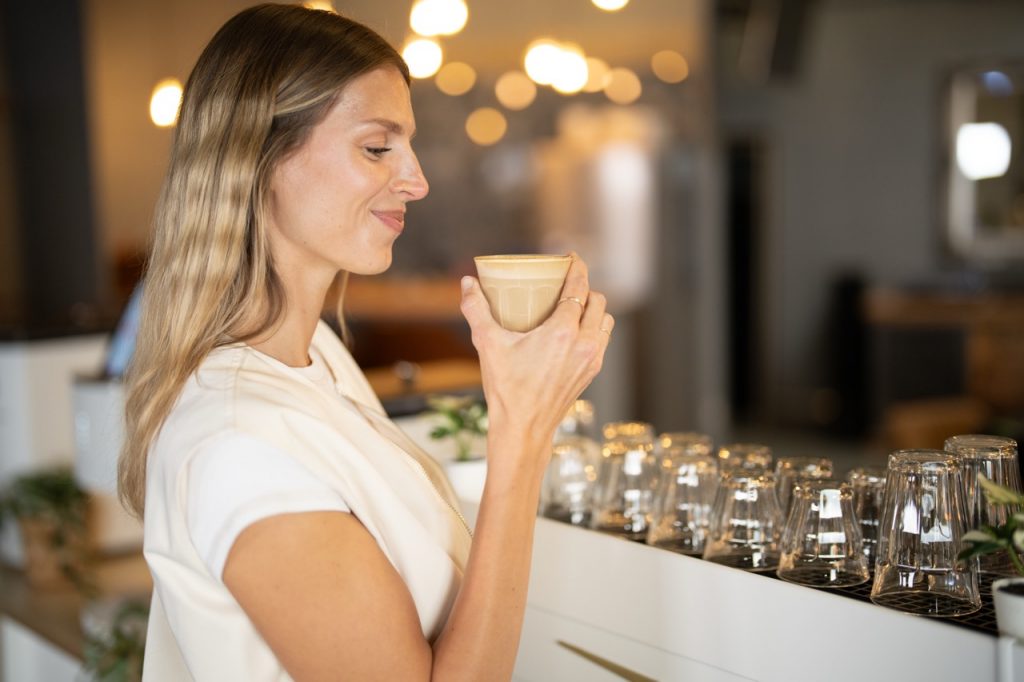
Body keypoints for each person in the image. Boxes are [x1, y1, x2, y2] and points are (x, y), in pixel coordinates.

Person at [117, 4, 613, 680]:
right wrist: (522, 431)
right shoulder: (240, 446)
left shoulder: (316, 356)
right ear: (257, 160)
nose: (416, 180)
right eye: (378, 147)